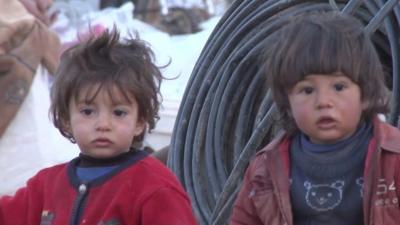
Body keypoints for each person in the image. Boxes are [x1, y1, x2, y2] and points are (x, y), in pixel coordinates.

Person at [0, 28, 198, 225]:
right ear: (67, 119)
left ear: (139, 122)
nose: (103, 125)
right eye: (87, 112)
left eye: (119, 113)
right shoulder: (45, 187)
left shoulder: (154, 188)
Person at [230, 11, 400, 225]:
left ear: (365, 94)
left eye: (339, 87)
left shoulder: (394, 158)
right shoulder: (265, 168)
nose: (323, 101)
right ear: (287, 103)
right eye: (307, 90)